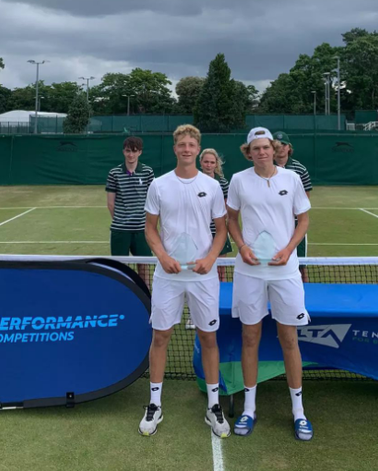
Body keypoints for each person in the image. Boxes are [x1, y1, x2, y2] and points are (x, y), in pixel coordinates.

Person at [138, 124, 231, 438]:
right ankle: (154, 403)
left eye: (192, 144)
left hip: (203, 277)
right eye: (182, 145)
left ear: (198, 147)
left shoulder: (212, 186)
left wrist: (211, 258)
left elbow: (222, 229)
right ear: (175, 148)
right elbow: (150, 228)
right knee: (160, 336)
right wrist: (162, 256)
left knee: (208, 338)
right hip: (168, 275)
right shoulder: (159, 185)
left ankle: (214, 406)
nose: (187, 149)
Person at [227, 127, 313, 441]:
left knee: (288, 338)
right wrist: (242, 247)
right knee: (250, 337)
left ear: (274, 149)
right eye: (255, 148)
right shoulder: (238, 180)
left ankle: (299, 412)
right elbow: (230, 219)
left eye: (265, 147)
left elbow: (303, 219)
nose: (261, 152)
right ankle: (249, 409)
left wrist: (288, 250)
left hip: (285, 270)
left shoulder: (291, 179)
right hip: (249, 270)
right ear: (248, 152)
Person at [106, 136, 154, 286]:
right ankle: (123, 298)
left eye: (134, 151)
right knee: (120, 268)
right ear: (123, 152)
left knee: (144, 267)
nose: (131, 155)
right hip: (120, 231)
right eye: (128, 151)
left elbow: (152, 201)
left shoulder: (147, 172)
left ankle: (146, 298)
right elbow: (110, 204)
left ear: (140, 152)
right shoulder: (114, 173)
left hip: (141, 231)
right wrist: (122, 221)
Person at [273, 131, 312, 282]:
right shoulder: (265, 169)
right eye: (278, 145)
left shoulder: (300, 169)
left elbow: (305, 198)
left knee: (301, 265)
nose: (281, 148)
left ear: (289, 148)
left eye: (284, 145)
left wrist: (295, 215)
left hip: (295, 225)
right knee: (272, 263)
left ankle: (304, 293)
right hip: (273, 224)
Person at [200, 148, 233, 282]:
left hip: (219, 232)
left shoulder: (223, 183)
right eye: (206, 162)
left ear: (216, 164)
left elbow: (227, 208)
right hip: (200, 232)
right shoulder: (195, 181)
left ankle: (220, 296)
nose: (208, 165)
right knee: (201, 267)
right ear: (201, 162)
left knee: (220, 269)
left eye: (212, 162)